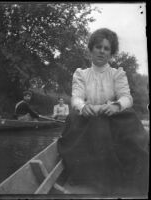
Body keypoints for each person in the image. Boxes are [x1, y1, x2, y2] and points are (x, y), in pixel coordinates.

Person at [57, 28, 149, 196]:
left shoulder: (117, 74)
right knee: (76, 117)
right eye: (98, 47)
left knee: (130, 116)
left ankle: (125, 181)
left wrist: (116, 106)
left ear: (111, 53)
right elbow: (76, 98)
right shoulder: (81, 74)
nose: (102, 51)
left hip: (111, 116)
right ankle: (93, 179)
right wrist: (83, 107)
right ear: (91, 49)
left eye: (107, 48)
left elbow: (126, 98)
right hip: (87, 118)